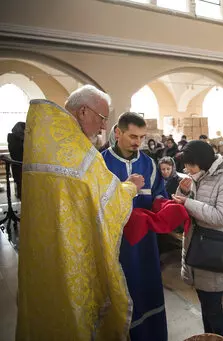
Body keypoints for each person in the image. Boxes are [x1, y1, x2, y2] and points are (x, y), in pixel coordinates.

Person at [17, 86, 145, 340]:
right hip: (71, 253)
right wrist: (130, 186)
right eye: (102, 118)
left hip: (40, 252)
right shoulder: (79, 153)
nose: (102, 126)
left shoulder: (44, 141)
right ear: (83, 111)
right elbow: (107, 200)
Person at [102, 112, 168, 341]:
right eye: (132, 136)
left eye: (141, 136)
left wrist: (165, 204)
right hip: (115, 246)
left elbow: (159, 193)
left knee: (146, 290)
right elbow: (94, 204)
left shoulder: (149, 163)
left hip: (144, 245)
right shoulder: (101, 163)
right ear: (118, 132)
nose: (137, 142)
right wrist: (126, 187)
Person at [172, 140, 223, 339]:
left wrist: (188, 202)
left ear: (202, 162)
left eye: (190, 165)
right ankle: (209, 337)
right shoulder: (198, 175)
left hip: (213, 250)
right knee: (206, 306)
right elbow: (189, 206)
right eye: (185, 165)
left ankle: (220, 338)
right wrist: (183, 192)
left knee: (212, 307)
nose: (187, 169)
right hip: (198, 247)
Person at [7, 122, 25, 199]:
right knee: (20, 186)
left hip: (21, 165)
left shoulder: (20, 138)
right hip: (19, 166)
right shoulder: (13, 138)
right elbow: (17, 153)